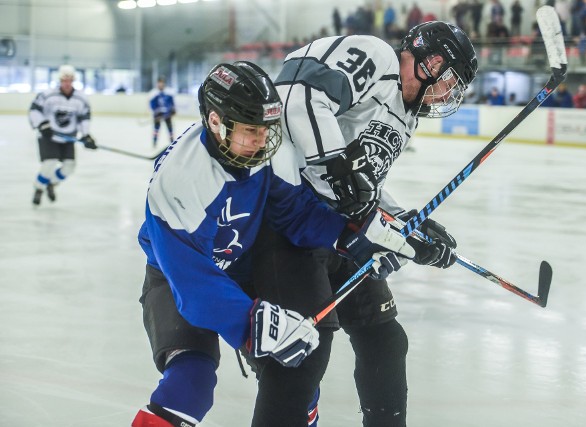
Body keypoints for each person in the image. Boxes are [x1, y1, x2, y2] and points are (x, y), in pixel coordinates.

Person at [130, 61, 415, 427]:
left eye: (267, 128)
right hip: (176, 277)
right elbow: (193, 284)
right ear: (216, 122)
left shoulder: (266, 146)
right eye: (251, 131)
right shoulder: (181, 181)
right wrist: (251, 322)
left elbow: (295, 212)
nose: (264, 140)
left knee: (298, 375)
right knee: (191, 382)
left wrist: (354, 240)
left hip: (242, 265)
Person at [246, 21, 478, 427]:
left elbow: (362, 186)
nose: (449, 93)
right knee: (304, 353)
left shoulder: (406, 118)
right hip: (288, 217)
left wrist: (406, 225)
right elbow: (297, 94)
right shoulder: (377, 56)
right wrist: (336, 164)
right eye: (450, 81)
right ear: (432, 62)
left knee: (385, 340)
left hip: (337, 227)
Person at [28, 64, 97, 206]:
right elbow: (34, 110)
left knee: (69, 167)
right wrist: (42, 124)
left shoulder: (81, 98)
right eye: (64, 80)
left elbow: (84, 117)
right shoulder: (47, 94)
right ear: (60, 80)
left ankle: (51, 184)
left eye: (69, 80)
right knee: (50, 162)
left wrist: (86, 135)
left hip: (68, 138)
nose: (67, 83)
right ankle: (39, 188)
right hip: (49, 136)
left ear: (73, 80)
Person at [149, 76, 176, 147]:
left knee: (170, 128)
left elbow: (171, 103)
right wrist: (156, 112)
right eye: (159, 83)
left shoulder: (169, 92)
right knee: (156, 129)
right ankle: (154, 142)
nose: (160, 84)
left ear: (164, 83)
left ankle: (172, 142)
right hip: (158, 114)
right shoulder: (154, 93)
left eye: (162, 83)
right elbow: (152, 105)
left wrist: (172, 110)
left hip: (167, 114)